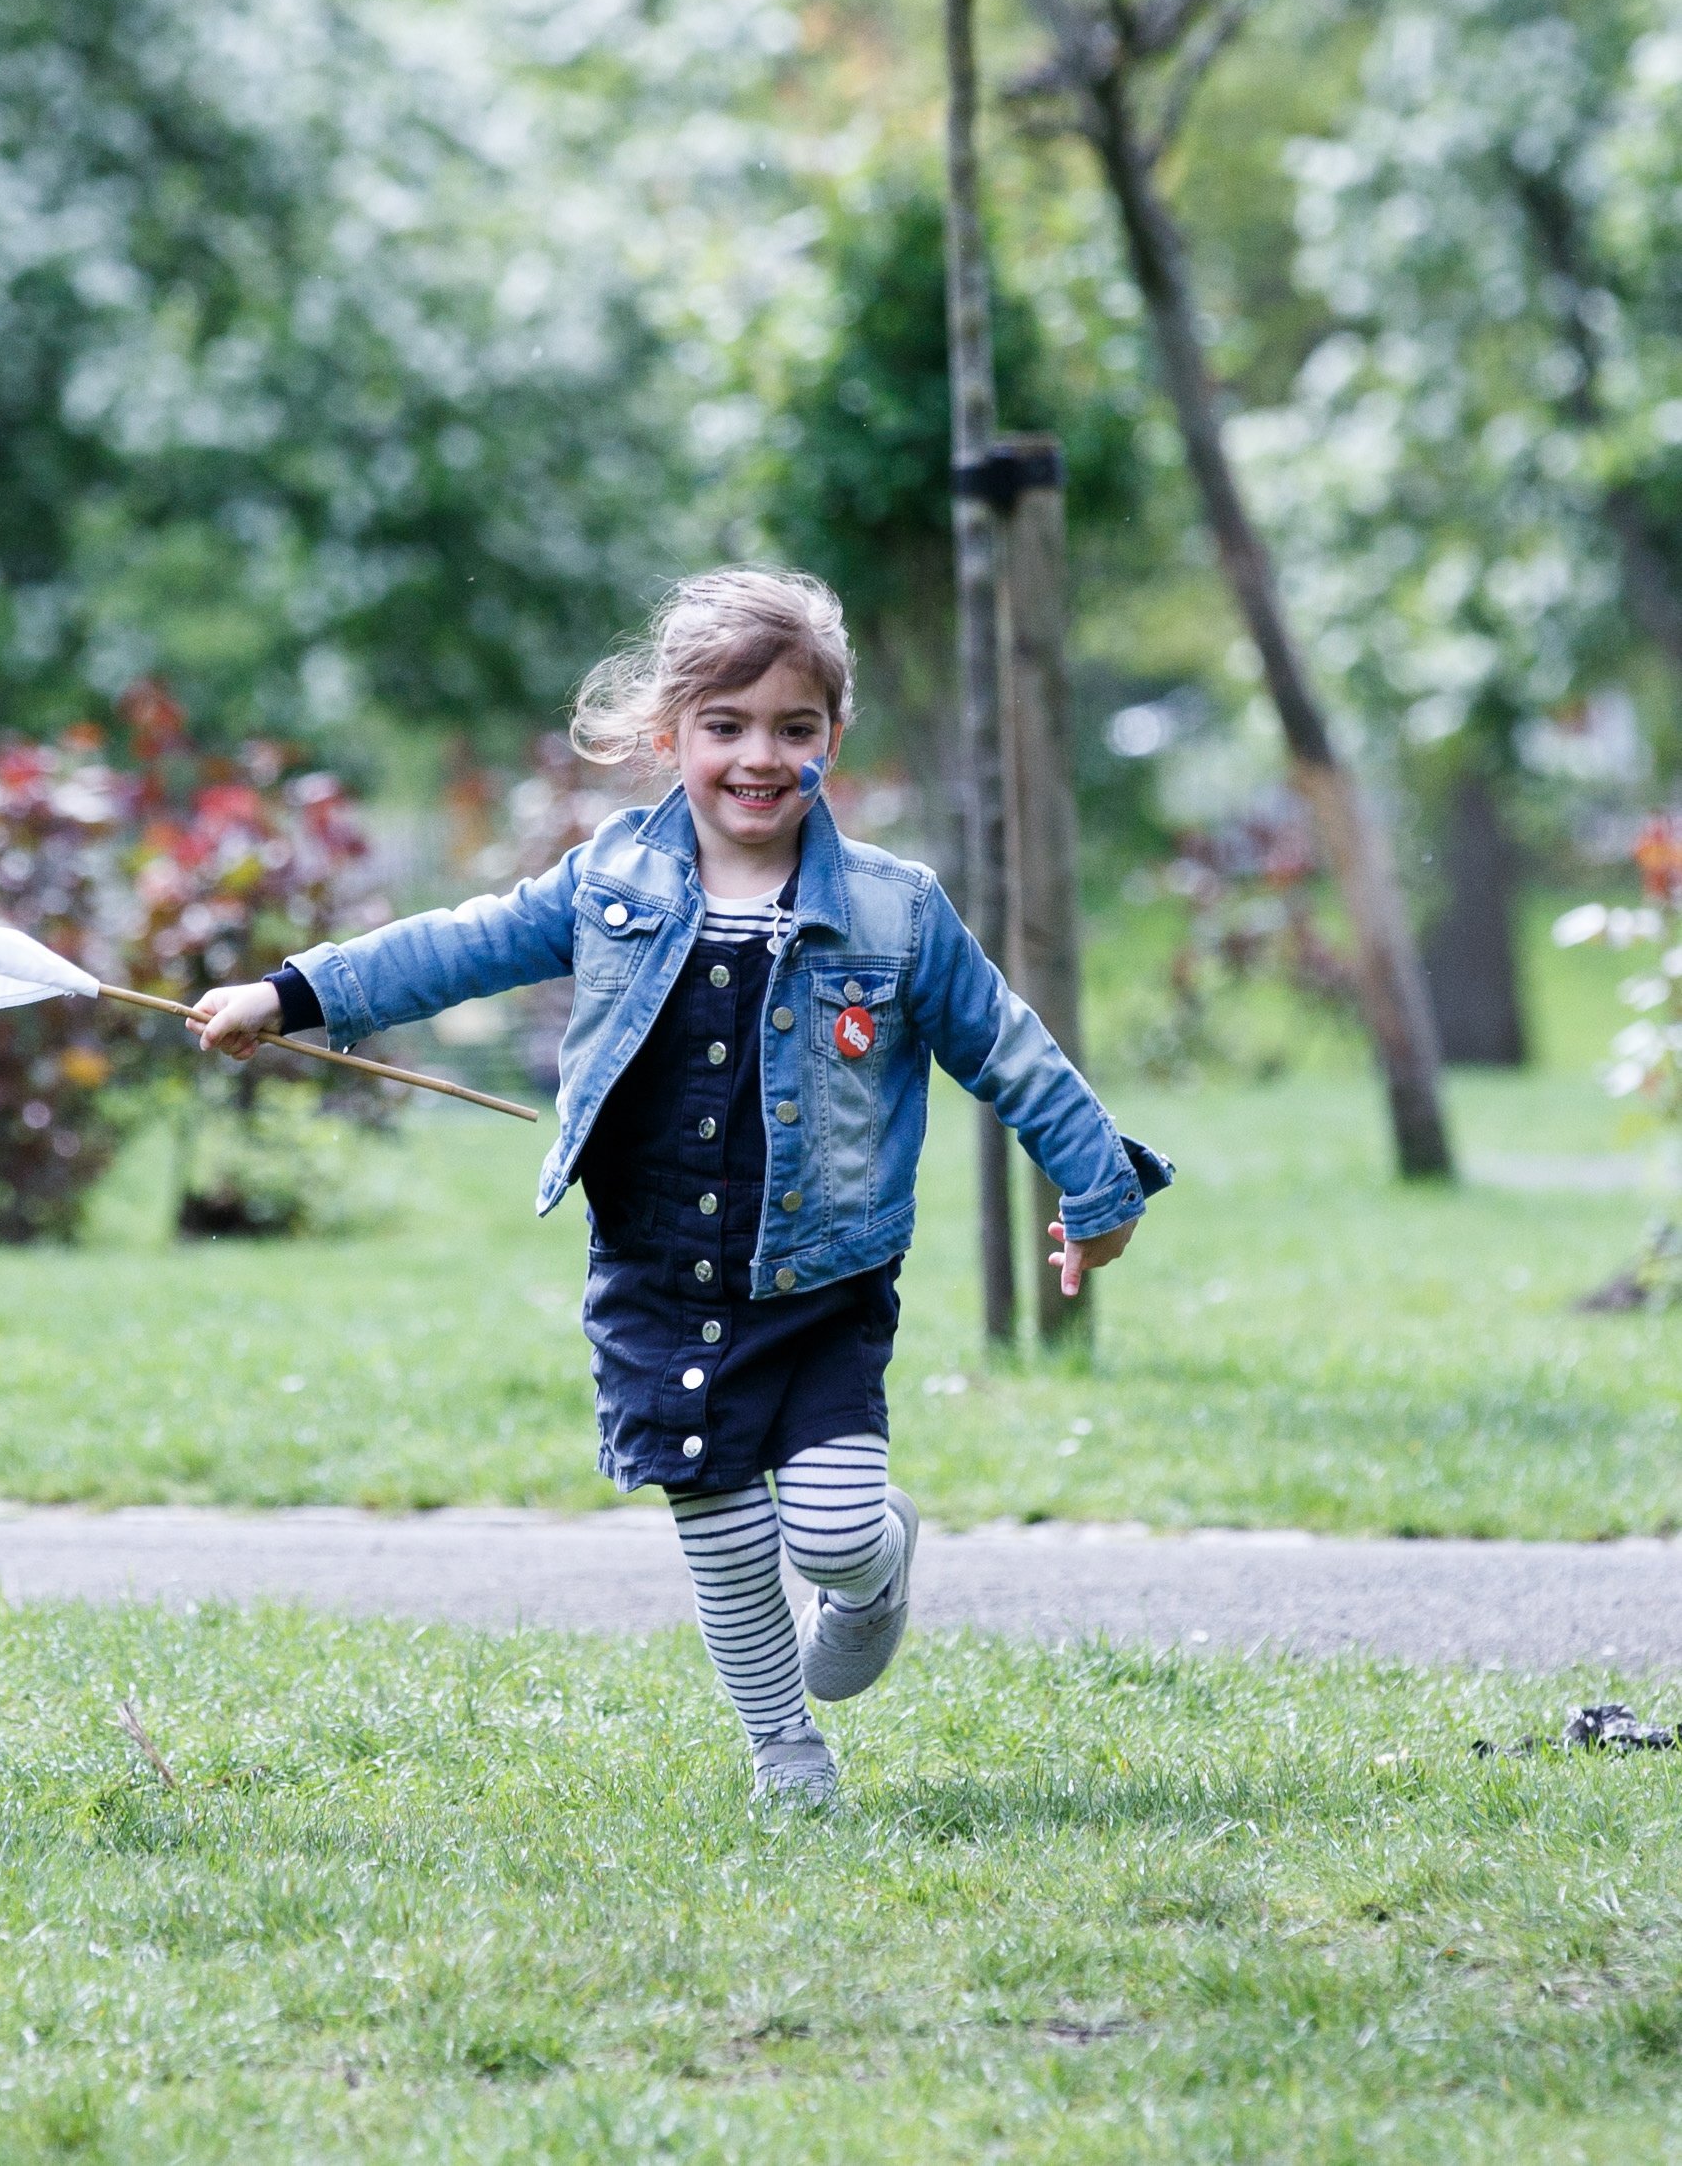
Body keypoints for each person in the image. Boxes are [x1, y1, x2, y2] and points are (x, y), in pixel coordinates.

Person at [190, 565, 1168, 1807]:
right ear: (669, 738)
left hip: (822, 1279)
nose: (759, 757)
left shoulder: (891, 910)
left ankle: (878, 1563)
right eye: (726, 726)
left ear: (832, 737)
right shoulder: (611, 883)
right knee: (720, 1529)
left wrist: (1098, 1192)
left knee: (826, 1531)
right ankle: (783, 1751)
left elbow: (1009, 1048)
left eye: (793, 727)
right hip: (656, 1269)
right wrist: (292, 993)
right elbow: (462, 941)